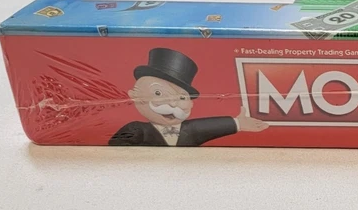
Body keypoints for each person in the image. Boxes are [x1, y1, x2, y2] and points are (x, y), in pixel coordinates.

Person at [109, 48, 268, 146]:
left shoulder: (189, 131)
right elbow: (117, 148)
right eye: (159, 93)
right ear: (135, 96)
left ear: (192, 104)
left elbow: (208, 126)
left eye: (182, 98)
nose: (172, 104)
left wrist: (238, 123)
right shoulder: (137, 130)